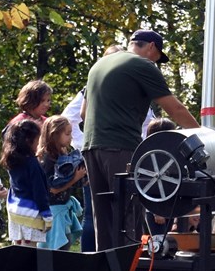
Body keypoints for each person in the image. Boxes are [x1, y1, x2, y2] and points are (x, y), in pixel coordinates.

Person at [81, 29, 199, 251]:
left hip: (91, 147)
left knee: (103, 219)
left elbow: (83, 114)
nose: (157, 63)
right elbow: (174, 109)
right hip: (120, 147)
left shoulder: (99, 65)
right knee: (128, 216)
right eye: (158, 57)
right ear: (152, 47)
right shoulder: (142, 65)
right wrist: (202, 136)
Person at [63, 44, 156, 251]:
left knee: (115, 212)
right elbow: (73, 117)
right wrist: (82, 146)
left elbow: (146, 122)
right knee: (99, 214)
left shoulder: (127, 86)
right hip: (102, 151)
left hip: (117, 148)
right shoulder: (92, 87)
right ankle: (102, 260)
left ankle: (119, 264)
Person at [37, 115, 87, 250]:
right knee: (57, 248)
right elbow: (52, 189)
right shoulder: (47, 158)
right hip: (53, 211)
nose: (70, 137)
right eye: (67, 134)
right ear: (54, 135)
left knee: (66, 244)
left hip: (63, 207)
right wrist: (75, 178)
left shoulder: (63, 153)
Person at [0, 119, 53, 246]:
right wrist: (47, 215)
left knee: (18, 249)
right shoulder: (33, 164)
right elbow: (39, 191)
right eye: (37, 139)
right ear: (29, 141)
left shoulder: (12, 160)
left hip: (15, 212)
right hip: (31, 215)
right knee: (30, 251)